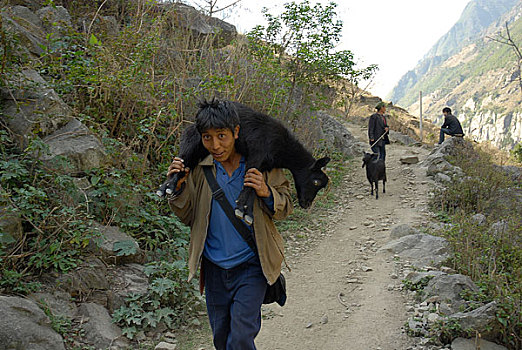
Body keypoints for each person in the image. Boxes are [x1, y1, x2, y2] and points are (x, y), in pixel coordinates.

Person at [166, 99, 293, 350]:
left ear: (236, 132)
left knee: (242, 337)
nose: (215, 145)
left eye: (222, 136)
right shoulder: (200, 169)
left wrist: (267, 192)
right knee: (221, 339)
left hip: (251, 266)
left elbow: (285, 206)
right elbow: (187, 215)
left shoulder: (261, 164)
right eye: (207, 137)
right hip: (214, 269)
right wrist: (178, 189)